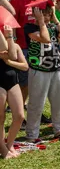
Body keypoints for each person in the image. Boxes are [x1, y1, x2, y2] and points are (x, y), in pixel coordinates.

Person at [25, 5, 60, 141]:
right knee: (36, 102)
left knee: (58, 102)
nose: (45, 17)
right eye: (42, 14)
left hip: (56, 68)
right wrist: (40, 22)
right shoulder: (30, 27)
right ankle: (32, 134)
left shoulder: (53, 26)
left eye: (48, 14)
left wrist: (56, 20)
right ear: (35, 14)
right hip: (38, 69)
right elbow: (45, 38)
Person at [10, 0, 46, 117]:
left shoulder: (44, 1)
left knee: (40, 83)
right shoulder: (16, 2)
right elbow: (10, 25)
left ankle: (36, 112)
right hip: (24, 47)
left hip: (42, 47)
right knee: (25, 84)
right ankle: (21, 114)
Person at [0, 24, 28, 158]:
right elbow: (9, 53)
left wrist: (9, 62)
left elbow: (24, 66)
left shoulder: (15, 46)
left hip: (12, 82)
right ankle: (3, 150)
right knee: (1, 118)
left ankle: (9, 144)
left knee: (20, 116)